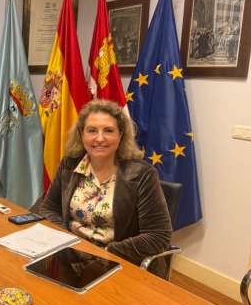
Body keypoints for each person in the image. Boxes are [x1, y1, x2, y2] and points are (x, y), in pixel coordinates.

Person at [39, 99, 172, 277]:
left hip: (119, 265)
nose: (100, 138)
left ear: (121, 134)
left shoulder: (142, 174)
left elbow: (158, 235)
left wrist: (106, 254)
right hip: (69, 259)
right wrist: (69, 243)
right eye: (92, 130)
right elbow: (49, 209)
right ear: (81, 134)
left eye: (108, 130)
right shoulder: (70, 164)